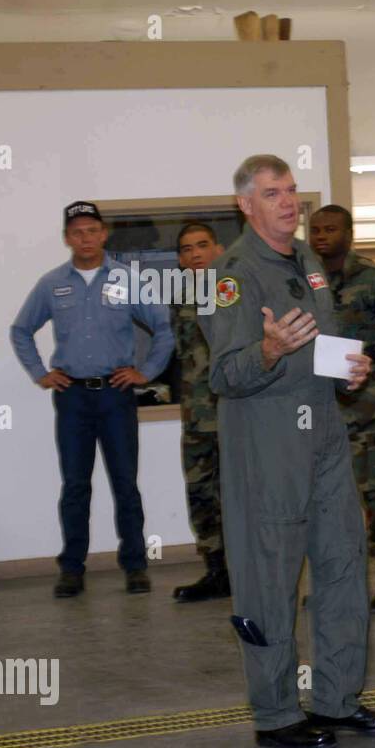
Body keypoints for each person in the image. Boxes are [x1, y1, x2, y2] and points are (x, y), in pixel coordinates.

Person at [199, 154, 375, 748]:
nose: (288, 202)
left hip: (326, 435)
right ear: (246, 205)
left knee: (342, 563)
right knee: (268, 577)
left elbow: (321, 345)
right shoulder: (230, 275)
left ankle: (337, 699)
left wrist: (348, 371)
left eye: (291, 191)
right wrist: (266, 349)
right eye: (272, 193)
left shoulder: (307, 260)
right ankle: (277, 713)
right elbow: (225, 375)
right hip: (268, 440)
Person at [10, 201, 174, 598]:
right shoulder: (52, 284)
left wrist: (146, 372)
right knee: (75, 486)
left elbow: (163, 329)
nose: (85, 238)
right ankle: (72, 569)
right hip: (72, 398)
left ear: (104, 235)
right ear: (68, 238)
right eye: (77, 232)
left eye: (92, 230)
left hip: (116, 396)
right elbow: (21, 330)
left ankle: (135, 566)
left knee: (125, 484)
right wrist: (40, 374)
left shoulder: (127, 280)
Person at [309, 203, 375, 614]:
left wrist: (371, 393)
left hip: (368, 414)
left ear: (349, 233)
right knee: (328, 504)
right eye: (315, 230)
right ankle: (336, 584)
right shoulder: (304, 283)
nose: (321, 237)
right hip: (320, 414)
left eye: (330, 229)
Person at [170, 222, 230, 602]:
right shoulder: (180, 298)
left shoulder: (236, 293)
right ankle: (216, 571)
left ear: (218, 250)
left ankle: (252, 572)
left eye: (202, 245)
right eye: (187, 249)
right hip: (196, 417)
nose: (195, 253)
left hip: (234, 415)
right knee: (201, 495)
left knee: (242, 496)